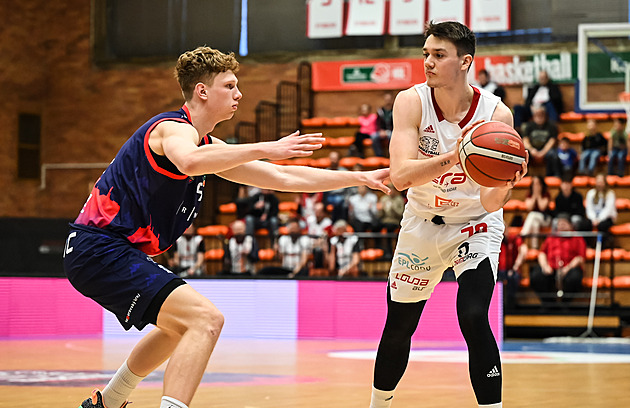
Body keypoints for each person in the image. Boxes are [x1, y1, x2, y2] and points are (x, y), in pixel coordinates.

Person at [63, 46, 390, 408]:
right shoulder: (170, 129)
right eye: (230, 85)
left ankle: (106, 403)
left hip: (108, 251)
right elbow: (187, 161)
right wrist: (266, 146)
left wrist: (358, 176)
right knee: (205, 320)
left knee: (177, 328)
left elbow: (282, 176)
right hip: (100, 249)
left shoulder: (208, 146)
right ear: (202, 91)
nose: (239, 94)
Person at [369, 21, 527, 408]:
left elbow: (491, 202)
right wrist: (454, 156)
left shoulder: (495, 114)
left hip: (475, 224)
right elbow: (402, 177)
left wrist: (506, 183)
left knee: (474, 316)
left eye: (438, 55)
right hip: (422, 222)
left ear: (465, 61)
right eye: (426, 53)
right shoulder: (411, 101)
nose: (428, 62)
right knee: (399, 325)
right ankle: (378, 404)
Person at [529, 213, 586, 305]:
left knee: (574, 277)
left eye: (564, 223)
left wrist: (567, 268)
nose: (561, 225)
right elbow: (542, 253)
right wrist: (545, 266)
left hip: (569, 269)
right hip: (551, 268)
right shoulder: (551, 237)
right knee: (536, 275)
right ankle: (548, 303)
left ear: (570, 225)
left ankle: (565, 304)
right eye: (560, 223)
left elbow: (580, 258)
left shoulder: (577, 238)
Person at [520, 104, 560, 177]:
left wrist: (543, 152)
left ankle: (552, 176)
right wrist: (532, 150)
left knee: (553, 154)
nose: (539, 117)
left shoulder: (551, 126)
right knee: (524, 154)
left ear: (545, 115)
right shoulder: (529, 126)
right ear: (534, 116)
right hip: (532, 150)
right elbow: (525, 140)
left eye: (541, 114)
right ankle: (524, 175)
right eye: (537, 115)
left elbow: (552, 141)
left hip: (546, 150)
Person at [498, 225, 528, 310]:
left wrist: (516, 266)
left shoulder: (513, 238)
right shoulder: (495, 239)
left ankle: (509, 308)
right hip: (497, 270)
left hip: (512, 270)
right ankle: (498, 308)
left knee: (513, 278)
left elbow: (524, 249)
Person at [519, 175, 552, 249]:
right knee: (535, 222)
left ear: (541, 185)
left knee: (533, 215)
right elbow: (529, 207)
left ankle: (523, 234)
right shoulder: (530, 194)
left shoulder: (546, 194)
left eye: (537, 184)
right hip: (535, 219)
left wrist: (539, 195)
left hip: (545, 219)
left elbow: (542, 207)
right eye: (534, 184)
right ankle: (535, 247)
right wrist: (534, 195)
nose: (536, 186)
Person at [376, 184, 406, 258]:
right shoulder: (384, 199)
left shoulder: (399, 199)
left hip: (394, 221)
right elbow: (380, 215)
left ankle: (389, 252)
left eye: (391, 189)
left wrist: (393, 207)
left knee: (389, 229)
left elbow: (401, 214)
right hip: (384, 220)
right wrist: (381, 209)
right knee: (375, 226)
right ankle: (379, 249)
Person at [585, 173, 617, 237]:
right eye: (598, 181)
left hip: (607, 218)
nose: (599, 184)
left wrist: (599, 220)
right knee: (584, 225)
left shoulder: (610, 194)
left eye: (601, 182)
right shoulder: (591, 193)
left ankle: (602, 245)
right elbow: (589, 208)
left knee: (602, 226)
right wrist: (593, 219)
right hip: (593, 218)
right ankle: (587, 244)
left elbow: (608, 209)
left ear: (605, 182)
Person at [373, 92, 395, 157]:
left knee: (392, 137)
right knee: (373, 137)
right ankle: (379, 156)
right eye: (386, 99)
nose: (388, 101)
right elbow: (378, 123)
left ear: (392, 99)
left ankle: (392, 155)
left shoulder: (395, 109)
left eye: (389, 99)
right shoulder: (380, 111)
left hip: (393, 131)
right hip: (382, 131)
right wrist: (380, 130)